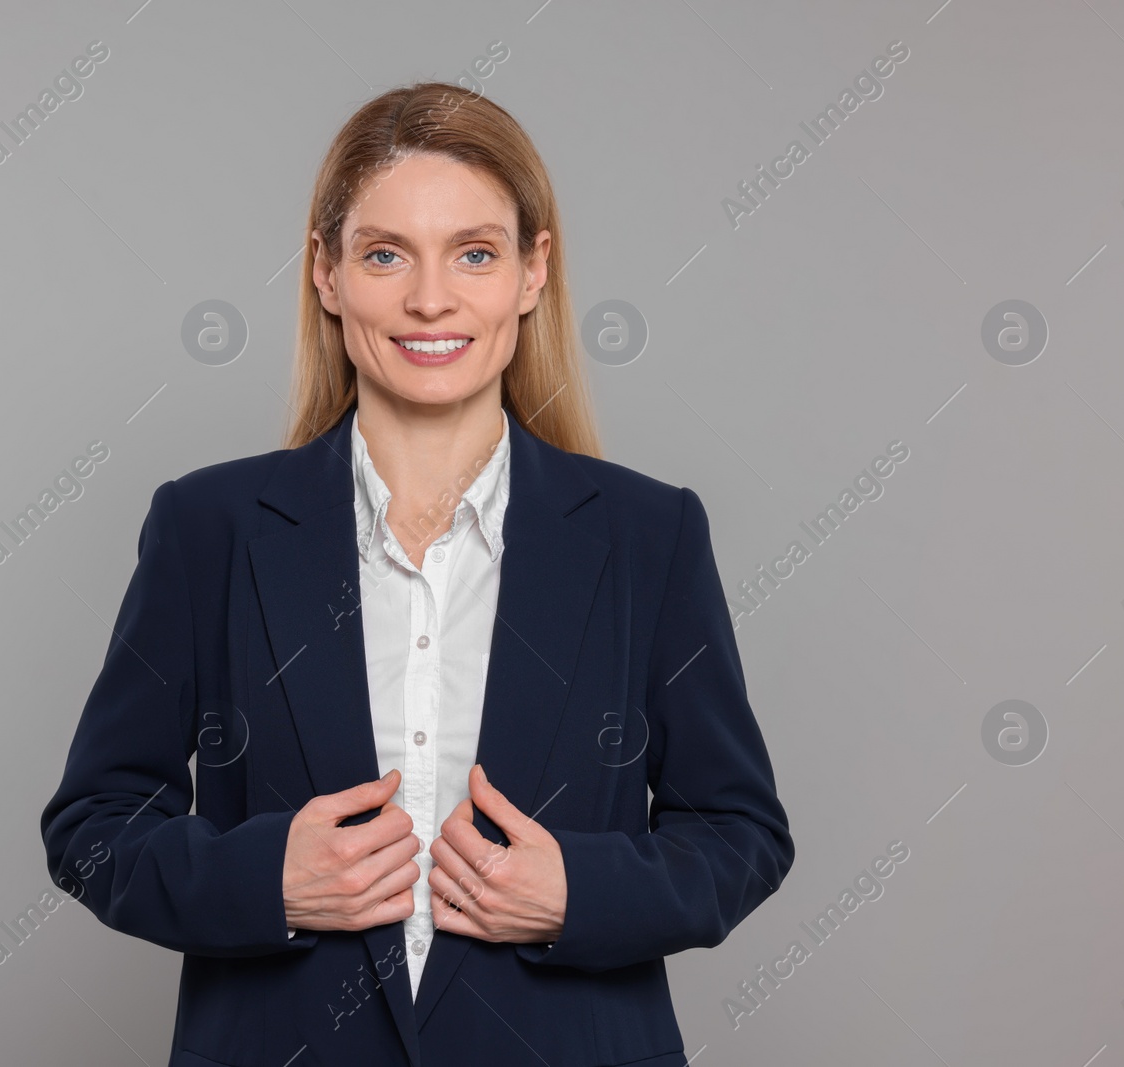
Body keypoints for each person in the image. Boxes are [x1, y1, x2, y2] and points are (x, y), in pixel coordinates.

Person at [40, 81, 794, 1067]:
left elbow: (739, 832)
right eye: (385, 253)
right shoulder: (207, 528)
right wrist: (264, 876)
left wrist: (578, 890)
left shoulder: (648, 535)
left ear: (532, 272)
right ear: (326, 271)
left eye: (473, 253)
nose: (429, 298)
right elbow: (92, 827)